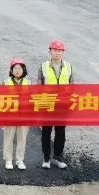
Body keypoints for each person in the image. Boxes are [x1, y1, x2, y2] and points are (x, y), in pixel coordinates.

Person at [39, 39, 73, 169]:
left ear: (63, 52)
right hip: (47, 104)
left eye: (59, 51)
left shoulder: (69, 66)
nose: (57, 53)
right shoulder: (43, 66)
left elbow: (72, 85)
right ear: (50, 51)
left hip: (62, 106)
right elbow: (39, 86)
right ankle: (46, 158)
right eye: (55, 50)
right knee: (46, 133)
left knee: (60, 132)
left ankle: (58, 157)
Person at [2, 58, 31, 171]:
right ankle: (8, 159)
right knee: (8, 138)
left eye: (20, 68)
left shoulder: (29, 83)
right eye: (15, 68)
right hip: (10, 115)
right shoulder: (6, 82)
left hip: (24, 115)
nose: (18, 71)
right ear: (11, 70)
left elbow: (32, 100)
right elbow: (1, 99)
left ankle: (20, 159)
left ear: (23, 70)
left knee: (22, 138)